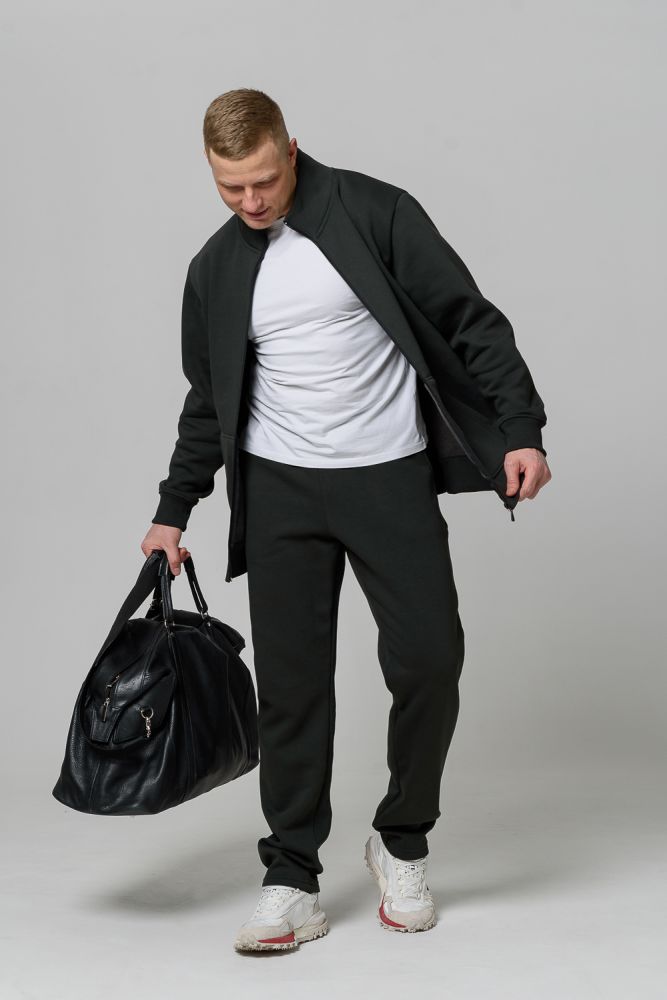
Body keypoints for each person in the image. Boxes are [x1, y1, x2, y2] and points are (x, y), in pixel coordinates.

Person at [140, 88, 552, 953]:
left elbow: (469, 321)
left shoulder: (374, 212)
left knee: (430, 659)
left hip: (387, 477)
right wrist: (174, 510)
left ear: (291, 149)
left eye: (262, 180)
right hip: (279, 490)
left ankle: (400, 840)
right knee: (291, 690)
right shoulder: (216, 267)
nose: (250, 201)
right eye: (229, 187)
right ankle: (291, 876)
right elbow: (208, 401)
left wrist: (520, 428)